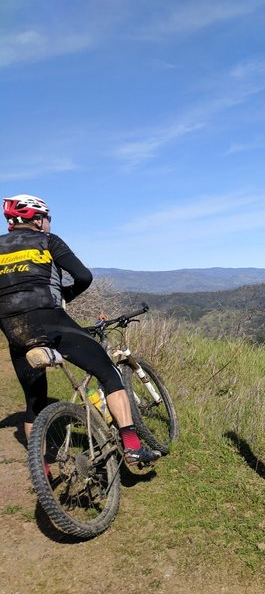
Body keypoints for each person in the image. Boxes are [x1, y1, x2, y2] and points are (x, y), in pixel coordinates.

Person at [0, 194, 160, 465]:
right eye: (47, 218)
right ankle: (132, 446)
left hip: (14, 328)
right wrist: (64, 297)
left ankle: (43, 471)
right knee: (108, 374)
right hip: (51, 319)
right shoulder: (48, 241)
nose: (49, 222)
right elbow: (84, 276)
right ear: (37, 219)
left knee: (34, 401)